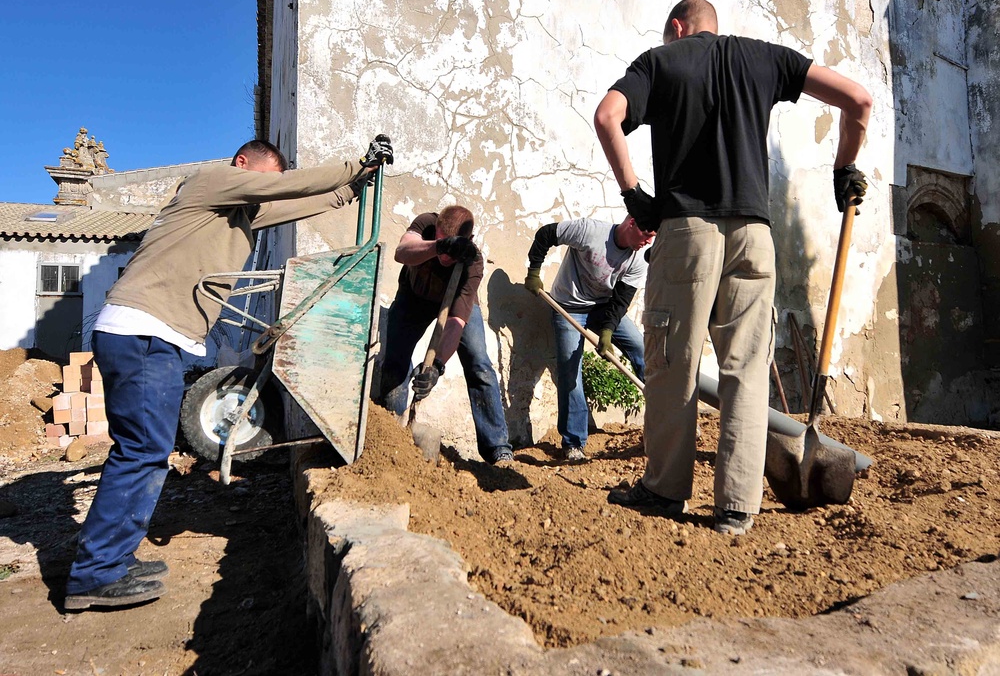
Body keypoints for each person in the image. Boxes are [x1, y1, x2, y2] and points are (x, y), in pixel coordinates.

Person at [64, 136, 393, 609]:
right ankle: (95, 573)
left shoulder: (238, 215)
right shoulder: (210, 180)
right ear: (242, 165)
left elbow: (296, 203)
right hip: (142, 332)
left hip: (154, 335)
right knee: (142, 452)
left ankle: (111, 558)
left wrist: (349, 190)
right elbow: (295, 187)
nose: (270, 192)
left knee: (147, 450)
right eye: (267, 181)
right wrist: (354, 163)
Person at [595, 0, 871, 534]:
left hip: (685, 233)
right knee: (745, 369)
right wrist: (844, 168)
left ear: (677, 27)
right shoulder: (765, 58)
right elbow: (858, 100)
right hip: (754, 234)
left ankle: (664, 490)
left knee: (673, 361)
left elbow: (608, 115)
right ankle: (737, 508)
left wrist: (633, 193)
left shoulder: (659, 61)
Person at [377, 205, 514, 465]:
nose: (445, 258)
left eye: (449, 249)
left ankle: (497, 448)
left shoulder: (473, 261)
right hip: (413, 298)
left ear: (469, 240)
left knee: (479, 364)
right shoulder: (427, 224)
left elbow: (455, 322)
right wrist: (438, 246)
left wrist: (437, 366)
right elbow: (401, 252)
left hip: (456, 308)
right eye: (440, 239)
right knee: (395, 361)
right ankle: (389, 436)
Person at [523, 216, 654, 461]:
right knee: (570, 370)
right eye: (646, 235)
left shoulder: (639, 258)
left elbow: (621, 300)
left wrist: (607, 331)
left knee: (642, 348)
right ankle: (573, 444)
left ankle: (667, 422)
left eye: (652, 238)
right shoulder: (589, 231)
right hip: (568, 306)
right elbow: (546, 234)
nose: (648, 242)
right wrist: (534, 271)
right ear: (632, 223)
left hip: (605, 307)